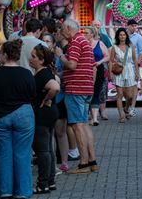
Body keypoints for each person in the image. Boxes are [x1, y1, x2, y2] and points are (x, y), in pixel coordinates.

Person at [0, 40, 36, 199]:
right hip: (23, 114)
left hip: (0, 115)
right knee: (23, 154)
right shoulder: (26, 73)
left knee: (3, 154)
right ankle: (23, 192)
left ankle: (5, 191)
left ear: (4, 55)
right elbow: (32, 94)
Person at [55, 19, 98, 174]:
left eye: (61, 29)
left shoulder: (75, 42)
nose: (61, 32)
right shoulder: (84, 41)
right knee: (84, 125)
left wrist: (60, 56)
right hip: (85, 88)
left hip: (75, 89)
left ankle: (84, 164)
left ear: (68, 28)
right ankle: (92, 161)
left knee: (77, 126)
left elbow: (72, 65)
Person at [29, 44, 60, 194]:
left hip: (42, 115)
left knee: (42, 151)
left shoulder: (43, 74)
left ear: (41, 60)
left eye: (33, 56)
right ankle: (50, 181)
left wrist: (47, 98)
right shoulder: (46, 72)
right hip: (49, 113)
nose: (30, 58)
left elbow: (55, 87)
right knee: (47, 148)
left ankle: (43, 184)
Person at [42, 33, 72, 172]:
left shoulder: (59, 58)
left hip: (59, 97)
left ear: (54, 44)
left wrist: (56, 75)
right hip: (45, 98)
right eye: (43, 40)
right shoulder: (38, 58)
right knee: (46, 132)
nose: (45, 43)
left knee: (61, 131)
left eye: (48, 41)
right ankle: (49, 162)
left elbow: (67, 73)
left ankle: (64, 161)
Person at [109, 27, 138, 123]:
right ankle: (121, 115)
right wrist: (110, 73)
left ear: (126, 36)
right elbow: (111, 61)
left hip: (130, 70)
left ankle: (126, 108)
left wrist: (137, 72)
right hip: (119, 71)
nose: (122, 36)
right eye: (120, 35)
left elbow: (135, 60)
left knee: (129, 95)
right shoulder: (114, 47)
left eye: (124, 35)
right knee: (120, 94)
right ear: (118, 36)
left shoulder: (131, 46)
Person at [83, 26, 109, 126]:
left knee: (96, 92)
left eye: (86, 33)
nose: (84, 35)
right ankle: (85, 116)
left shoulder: (100, 43)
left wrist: (99, 62)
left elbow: (107, 56)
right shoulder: (83, 44)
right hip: (86, 71)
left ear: (92, 34)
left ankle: (94, 118)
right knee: (87, 92)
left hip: (98, 70)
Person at [126, 19, 142, 116]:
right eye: (132, 25)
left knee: (133, 88)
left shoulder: (138, 37)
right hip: (124, 66)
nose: (134, 27)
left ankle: (132, 108)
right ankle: (127, 106)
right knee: (125, 89)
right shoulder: (122, 35)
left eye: (136, 26)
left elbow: (141, 52)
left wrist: (137, 64)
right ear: (128, 26)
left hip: (134, 66)